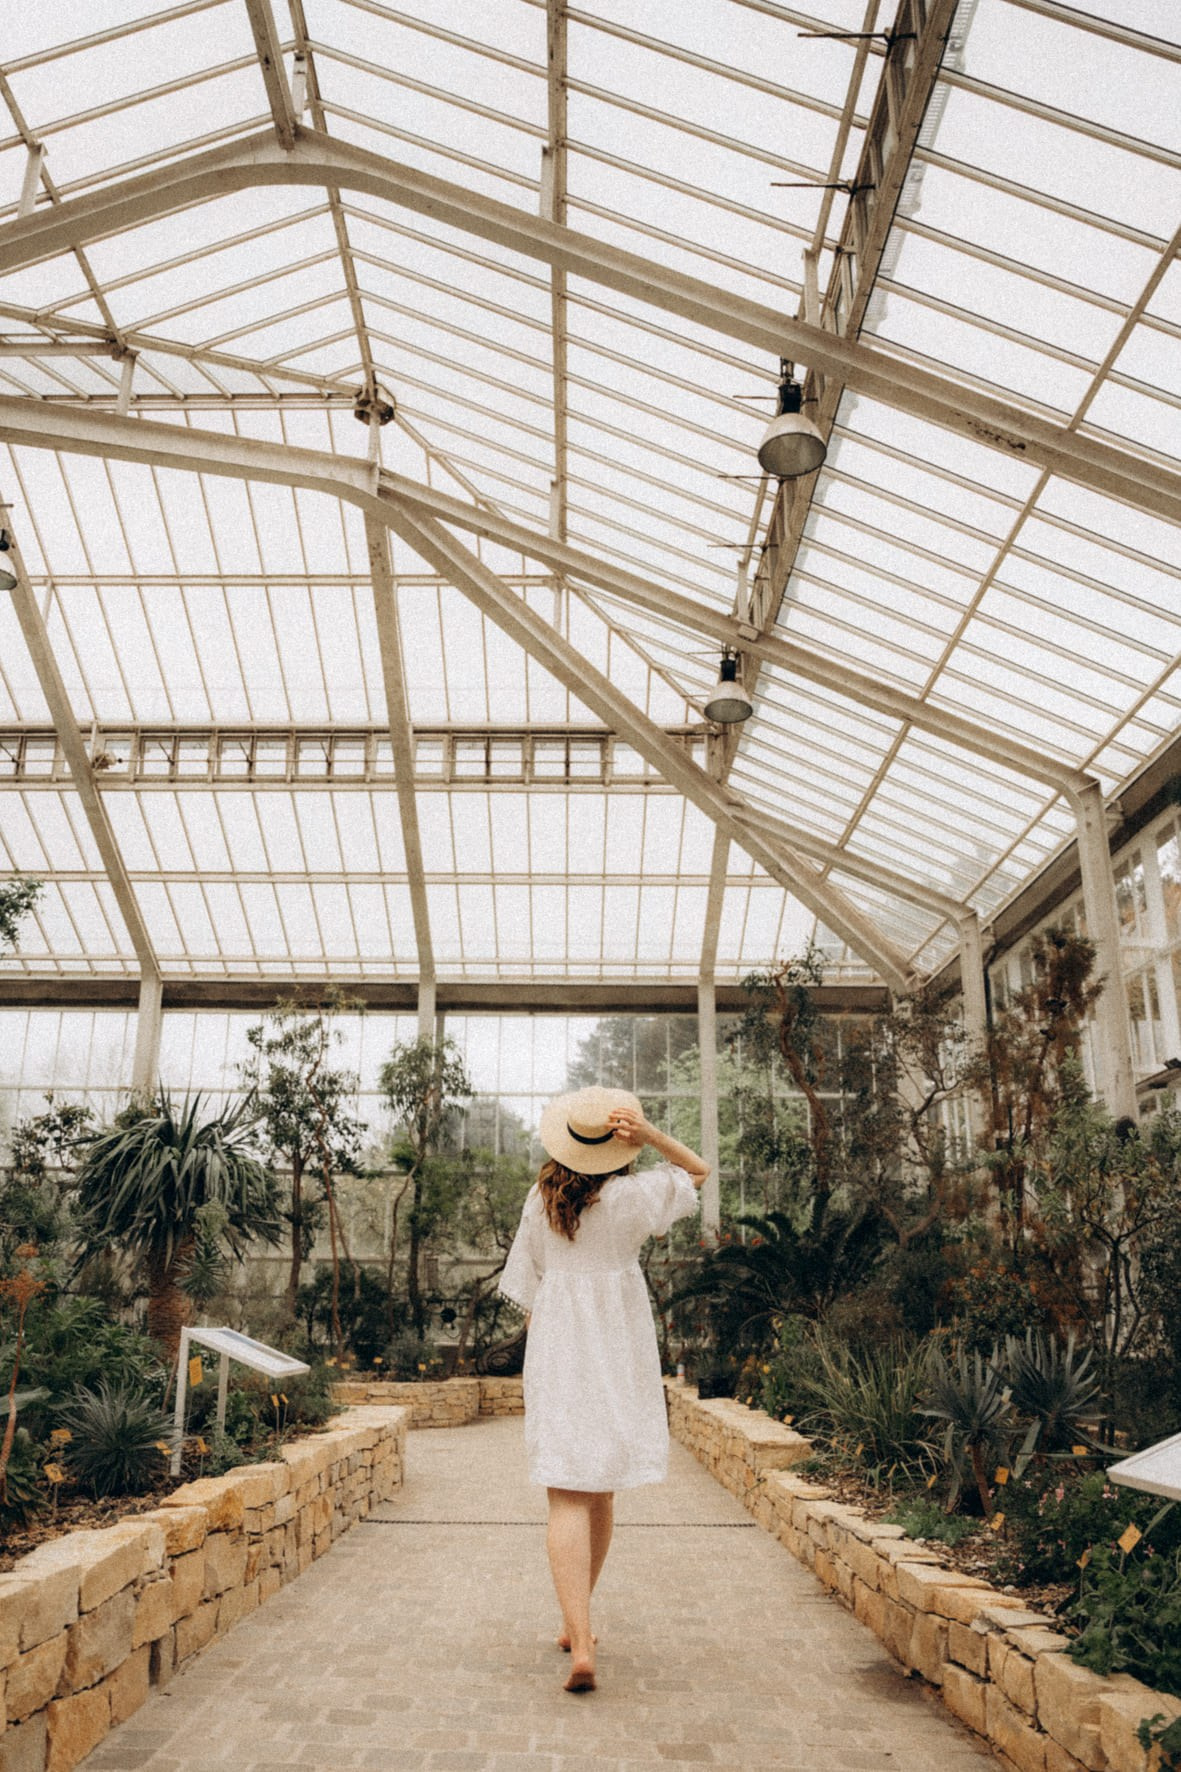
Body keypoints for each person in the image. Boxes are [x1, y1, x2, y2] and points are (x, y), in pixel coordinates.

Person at [499, 1084, 709, 1693]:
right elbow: (697, 1171)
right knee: (602, 1493)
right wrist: (650, 1137)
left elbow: (530, 1297)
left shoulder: (539, 1201)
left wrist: (543, 1357)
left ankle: (579, 1634)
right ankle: (580, 1625)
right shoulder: (637, 1196)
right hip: (619, 1347)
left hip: (559, 1343)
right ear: (617, 1148)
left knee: (565, 1492)